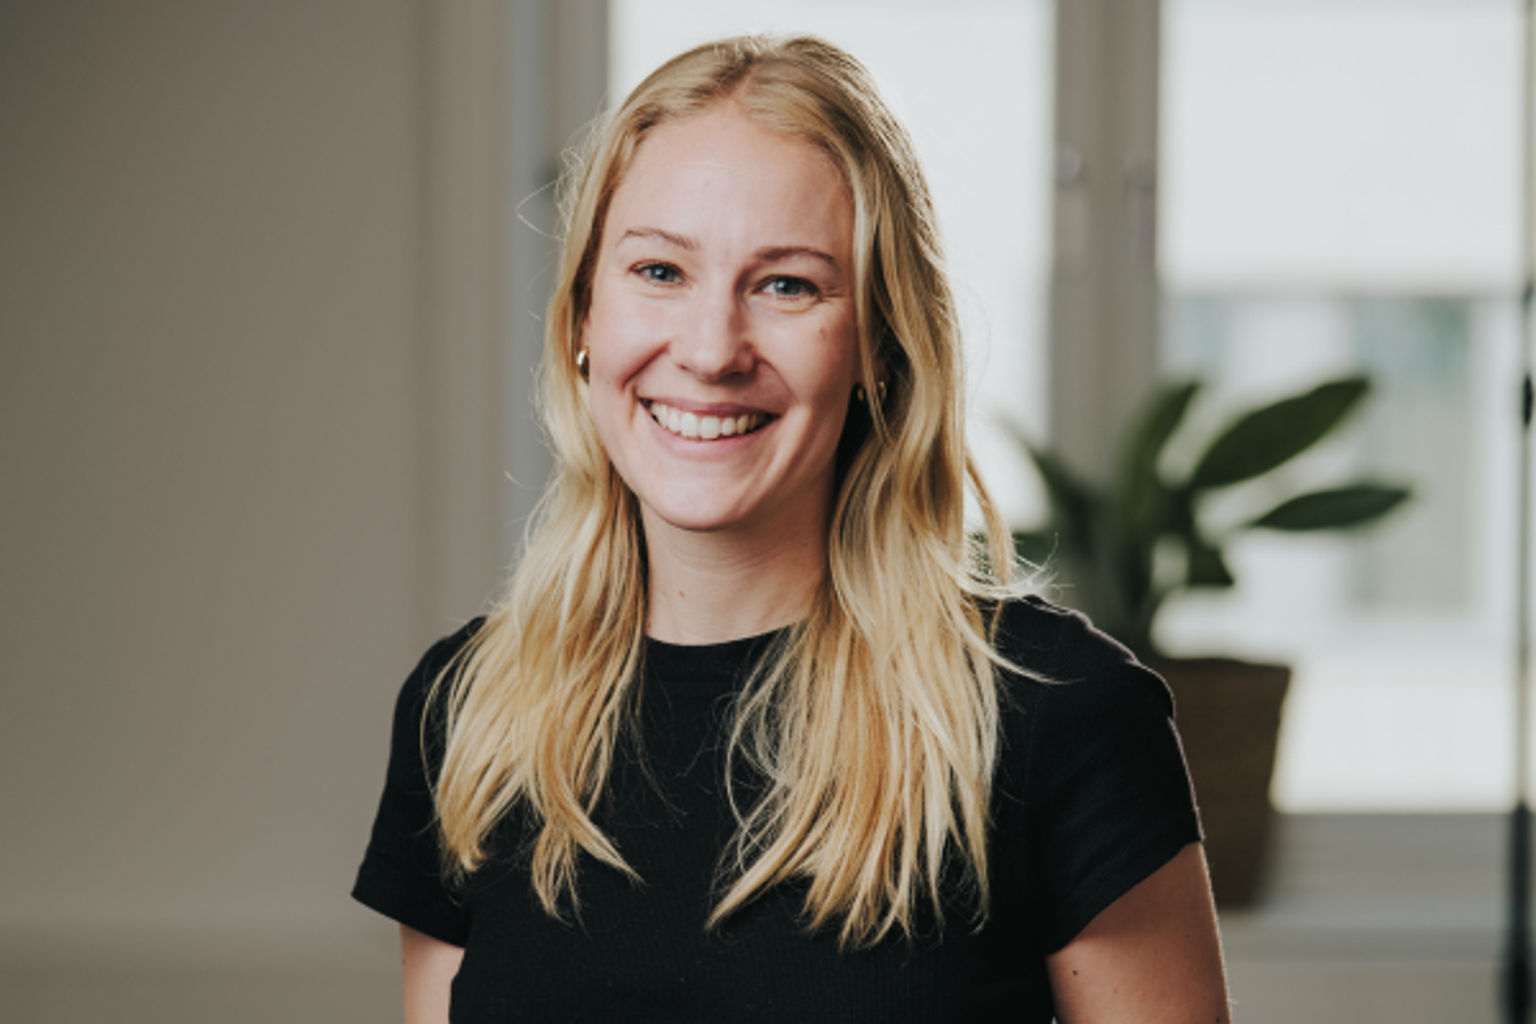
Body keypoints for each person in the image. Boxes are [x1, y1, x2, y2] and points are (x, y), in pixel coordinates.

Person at [354, 34, 1230, 1023]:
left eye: (787, 285)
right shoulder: (465, 712)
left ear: (879, 346)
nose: (711, 349)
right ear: (583, 318)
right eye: (659, 270)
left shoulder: (1059, 719)